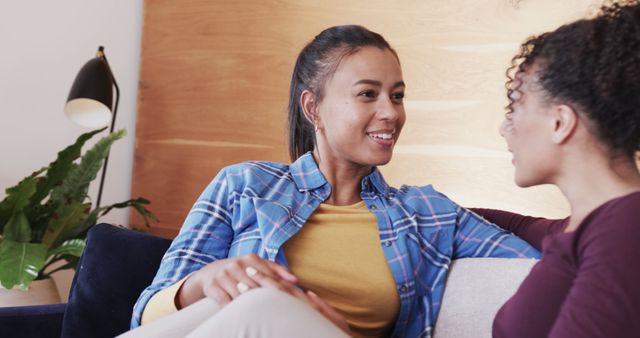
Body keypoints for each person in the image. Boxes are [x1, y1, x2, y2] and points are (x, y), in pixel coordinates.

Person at [126, 25, 539, 338]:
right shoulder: (246, 186)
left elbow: (541, 268)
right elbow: (145, 315)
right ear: (313, 107)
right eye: (367, 94)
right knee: (222, 306)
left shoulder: (426, 213)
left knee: (265, 300)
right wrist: (204, 281)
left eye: (396, 96)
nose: (391, 113)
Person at [472, 1, 640, 337]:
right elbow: (521, 224)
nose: (505, 128)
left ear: (560, 122)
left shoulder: (625, 230)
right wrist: (413, 206)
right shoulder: (591, 225)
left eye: (514, 107)